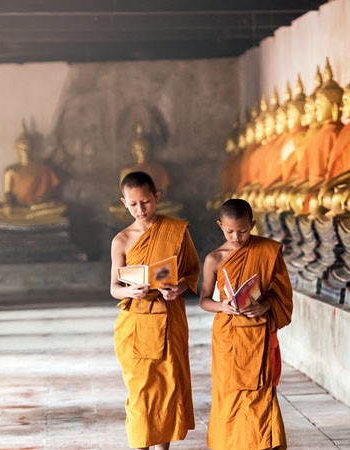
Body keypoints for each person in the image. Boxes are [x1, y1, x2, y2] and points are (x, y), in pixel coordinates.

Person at [109, 171, 200, 450]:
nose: (141, 209)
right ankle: (140, 446)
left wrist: (178, 289)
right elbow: (114, 287)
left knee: (167, 389)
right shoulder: (121, 240)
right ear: (124, 203)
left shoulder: (177, 230)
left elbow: (191, 273)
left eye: (146, 202)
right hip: (136, 324)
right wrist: (130, 291)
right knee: (140, 392)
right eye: (134, 204)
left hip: (169, 318)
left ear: (157, 197)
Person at [200, 199, 293, 450]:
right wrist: (222, 306)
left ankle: (261, 445)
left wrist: (265, 305)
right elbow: (204, 300)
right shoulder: (214, 259)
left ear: (253, 224)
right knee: (228, 395)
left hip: (256, 333)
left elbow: (282, 294)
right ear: (220, 225)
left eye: (243, 231)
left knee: (258, 393)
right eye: (230, 231)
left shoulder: (269, 251)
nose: (237, 237)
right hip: (227, 337)